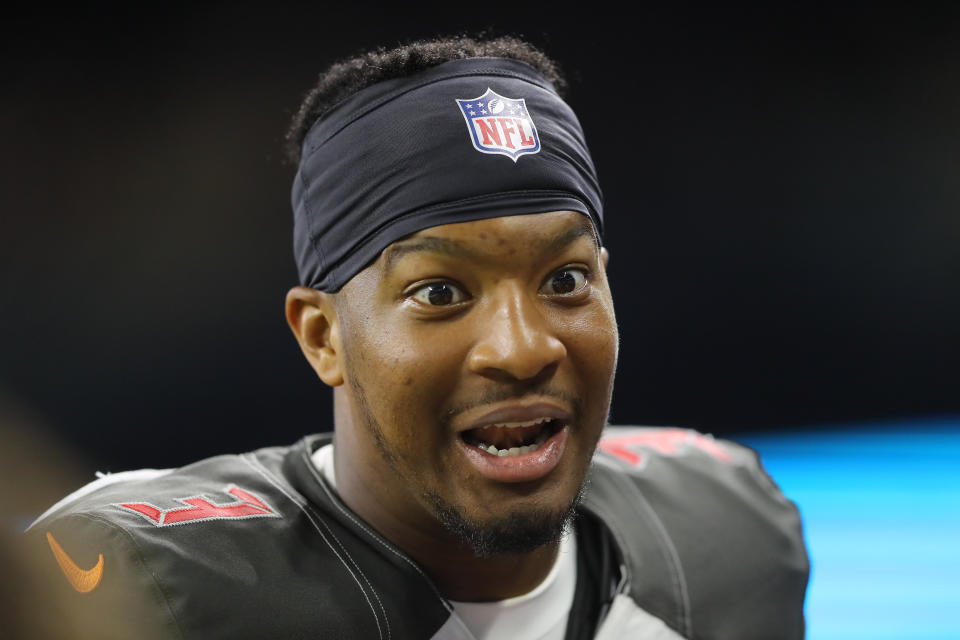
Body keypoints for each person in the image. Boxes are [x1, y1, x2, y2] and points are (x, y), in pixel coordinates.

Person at [24, 35, 808, 639]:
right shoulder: (134, 582)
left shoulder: (731, 533)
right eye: (440, 292)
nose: (522, 346)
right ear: (322, 335)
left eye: (565, 280)